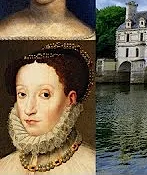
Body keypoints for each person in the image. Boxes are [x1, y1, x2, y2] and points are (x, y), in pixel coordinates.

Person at [0, 42, 95, 174]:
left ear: (70, 99)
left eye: (45, 95)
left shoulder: (90, 167)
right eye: (22, 94)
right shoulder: (3, 167)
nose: (29, 109)